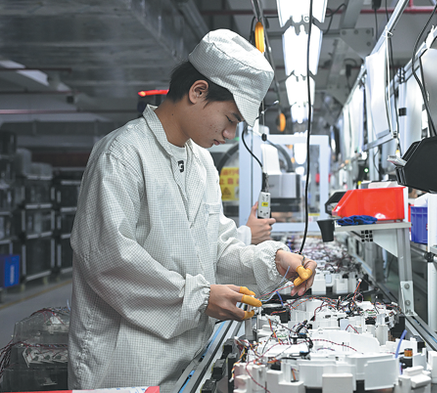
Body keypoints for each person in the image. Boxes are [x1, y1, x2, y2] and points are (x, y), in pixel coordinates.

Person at [68, 29, 316, 391]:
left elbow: (217, 249)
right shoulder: (122, 155)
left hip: (189, 359)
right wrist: (200, 297)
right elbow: (109, 261)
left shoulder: (200, 162)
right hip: (126, 368)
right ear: (198, 92)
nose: (230, 134)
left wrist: (275, 259)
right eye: (230, 119)